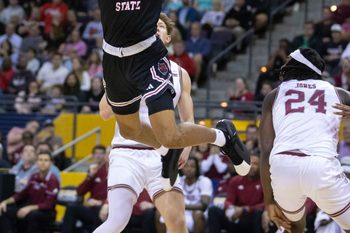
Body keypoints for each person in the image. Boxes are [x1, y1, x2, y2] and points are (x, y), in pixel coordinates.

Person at [98, 0, 250, 186]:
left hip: (146, 57)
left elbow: (187, 117)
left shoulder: (179, 71)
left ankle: (222, 136)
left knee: (170, 136)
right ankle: (167, 152)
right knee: (129, 130)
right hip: (113, 58)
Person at [94, 13, 191, 233]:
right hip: (127, 151)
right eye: (151, 26)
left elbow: (188, 119)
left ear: (168, 38)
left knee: (177, 222)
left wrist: (188, 147)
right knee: (117, 220)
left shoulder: (180, 73)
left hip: (163, 155)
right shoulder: (123, 66)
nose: (155, 29)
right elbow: (104, 112)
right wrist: (125, 83)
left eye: (160, 27)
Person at [260, 48, 350, 233]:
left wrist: (269, 201)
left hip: (282, 165)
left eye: (288, 61)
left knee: (295, 228)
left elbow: (266, 151)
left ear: (297, 65)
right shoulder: (338, 93)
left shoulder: (273, 95)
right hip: (321, 165)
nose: (284, 65)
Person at [0, 152, 59, 233]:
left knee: (32, 215)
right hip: (31, 209)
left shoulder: (53, 180)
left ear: (51, 163)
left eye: (46, 160)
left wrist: (29, 208)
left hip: (46, 212)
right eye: (40, 160)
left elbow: (48, 205)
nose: (43, 163)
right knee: (5, 210)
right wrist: (4, 202)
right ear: (36, 162)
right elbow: (22, 194)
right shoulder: (34, 176)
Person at [61, 145, 107, 233]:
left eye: (101, 153)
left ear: (105, 156)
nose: (98, 156)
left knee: (98, 211)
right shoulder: (93, 171)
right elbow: (79, 192)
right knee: (72, 208)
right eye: (96, 153)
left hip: (104, 207)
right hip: (91, 207)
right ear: (92, 156)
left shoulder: (109, 170)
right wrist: (89, 176)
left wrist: (100, 202)